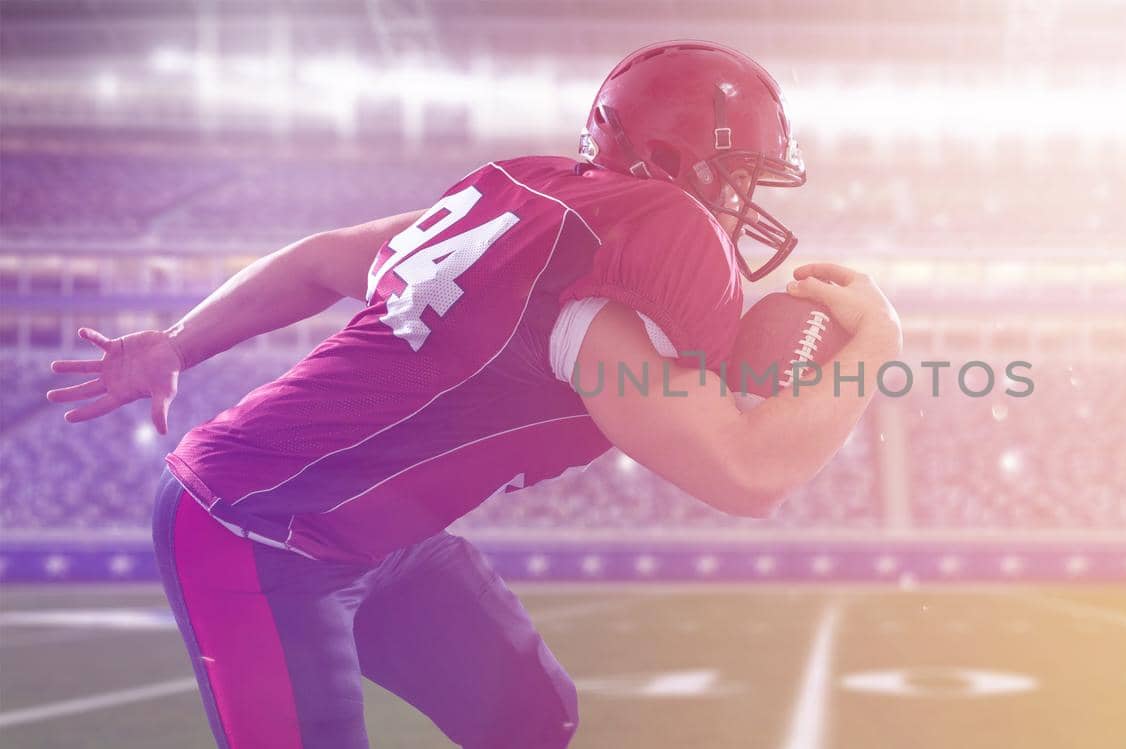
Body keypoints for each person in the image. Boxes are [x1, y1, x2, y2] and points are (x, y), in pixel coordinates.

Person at [43, 40, 900, 748]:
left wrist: (176, 343)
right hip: (251, 526)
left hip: (372, 531)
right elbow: (746, 473)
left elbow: (318, 258)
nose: (744, 202)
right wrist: (876, 349)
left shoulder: (532, 209)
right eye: (736, 175)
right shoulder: (590, 302)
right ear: (678, 160)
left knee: (530, 718)